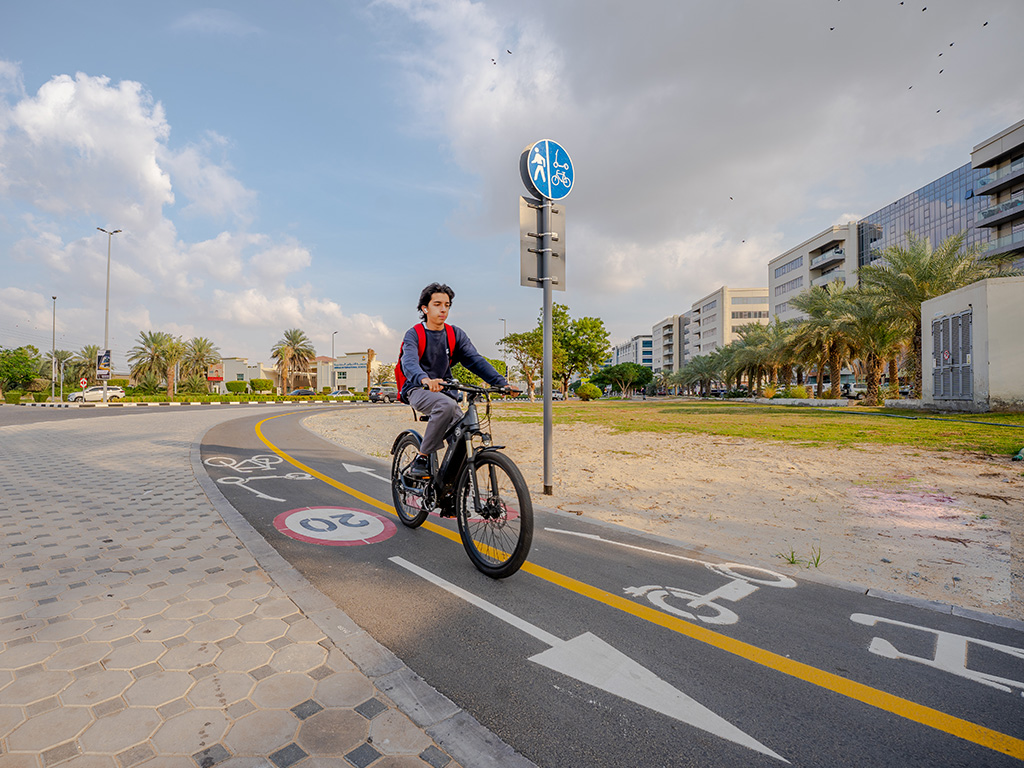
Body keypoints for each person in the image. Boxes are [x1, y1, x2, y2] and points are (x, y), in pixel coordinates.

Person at [398, 282, 511, 480]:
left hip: (446, 390)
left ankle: (451, 491)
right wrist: (425, 379)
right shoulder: (415, 334)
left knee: (461, 435)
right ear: (425, 308)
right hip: (417, 389)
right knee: (446, 406)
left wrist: (502, 383)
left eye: (447, 305)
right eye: (437, 304)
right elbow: (408, 363)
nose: (443, 309)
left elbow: (475, 360)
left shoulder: (454, 334)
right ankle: (421, 458)